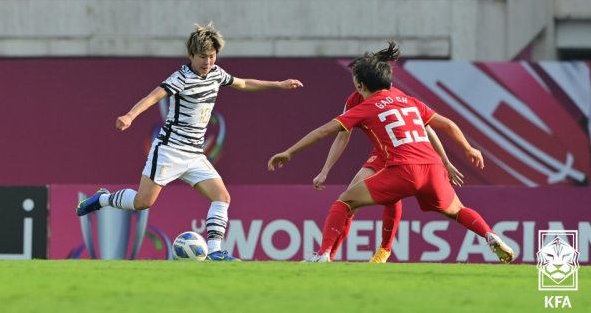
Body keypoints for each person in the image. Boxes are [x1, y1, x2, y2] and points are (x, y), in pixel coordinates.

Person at [268, 44, 515, 264]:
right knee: (458, 210)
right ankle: (489, 235)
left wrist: (289, 152)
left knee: (344, 202)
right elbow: (447, 125)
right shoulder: (409, 100)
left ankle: (323, 256)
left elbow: (325, 131)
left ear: (361, 85)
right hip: (431, 166)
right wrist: (467, 149)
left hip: (403, 167)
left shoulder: (364, 105)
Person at [77, 23, 303, 262]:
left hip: (195, 154)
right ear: (191, 56)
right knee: (142, 202)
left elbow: (244, 83)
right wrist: (130, 116)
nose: (208, 62)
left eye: (212, 57)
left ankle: (215, 252)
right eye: (203, 57)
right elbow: (153, 97)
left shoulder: (216, 73)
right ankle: (102, 199)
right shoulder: (181, 78)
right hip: (169, 151)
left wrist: (279, 84)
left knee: (222, 197)